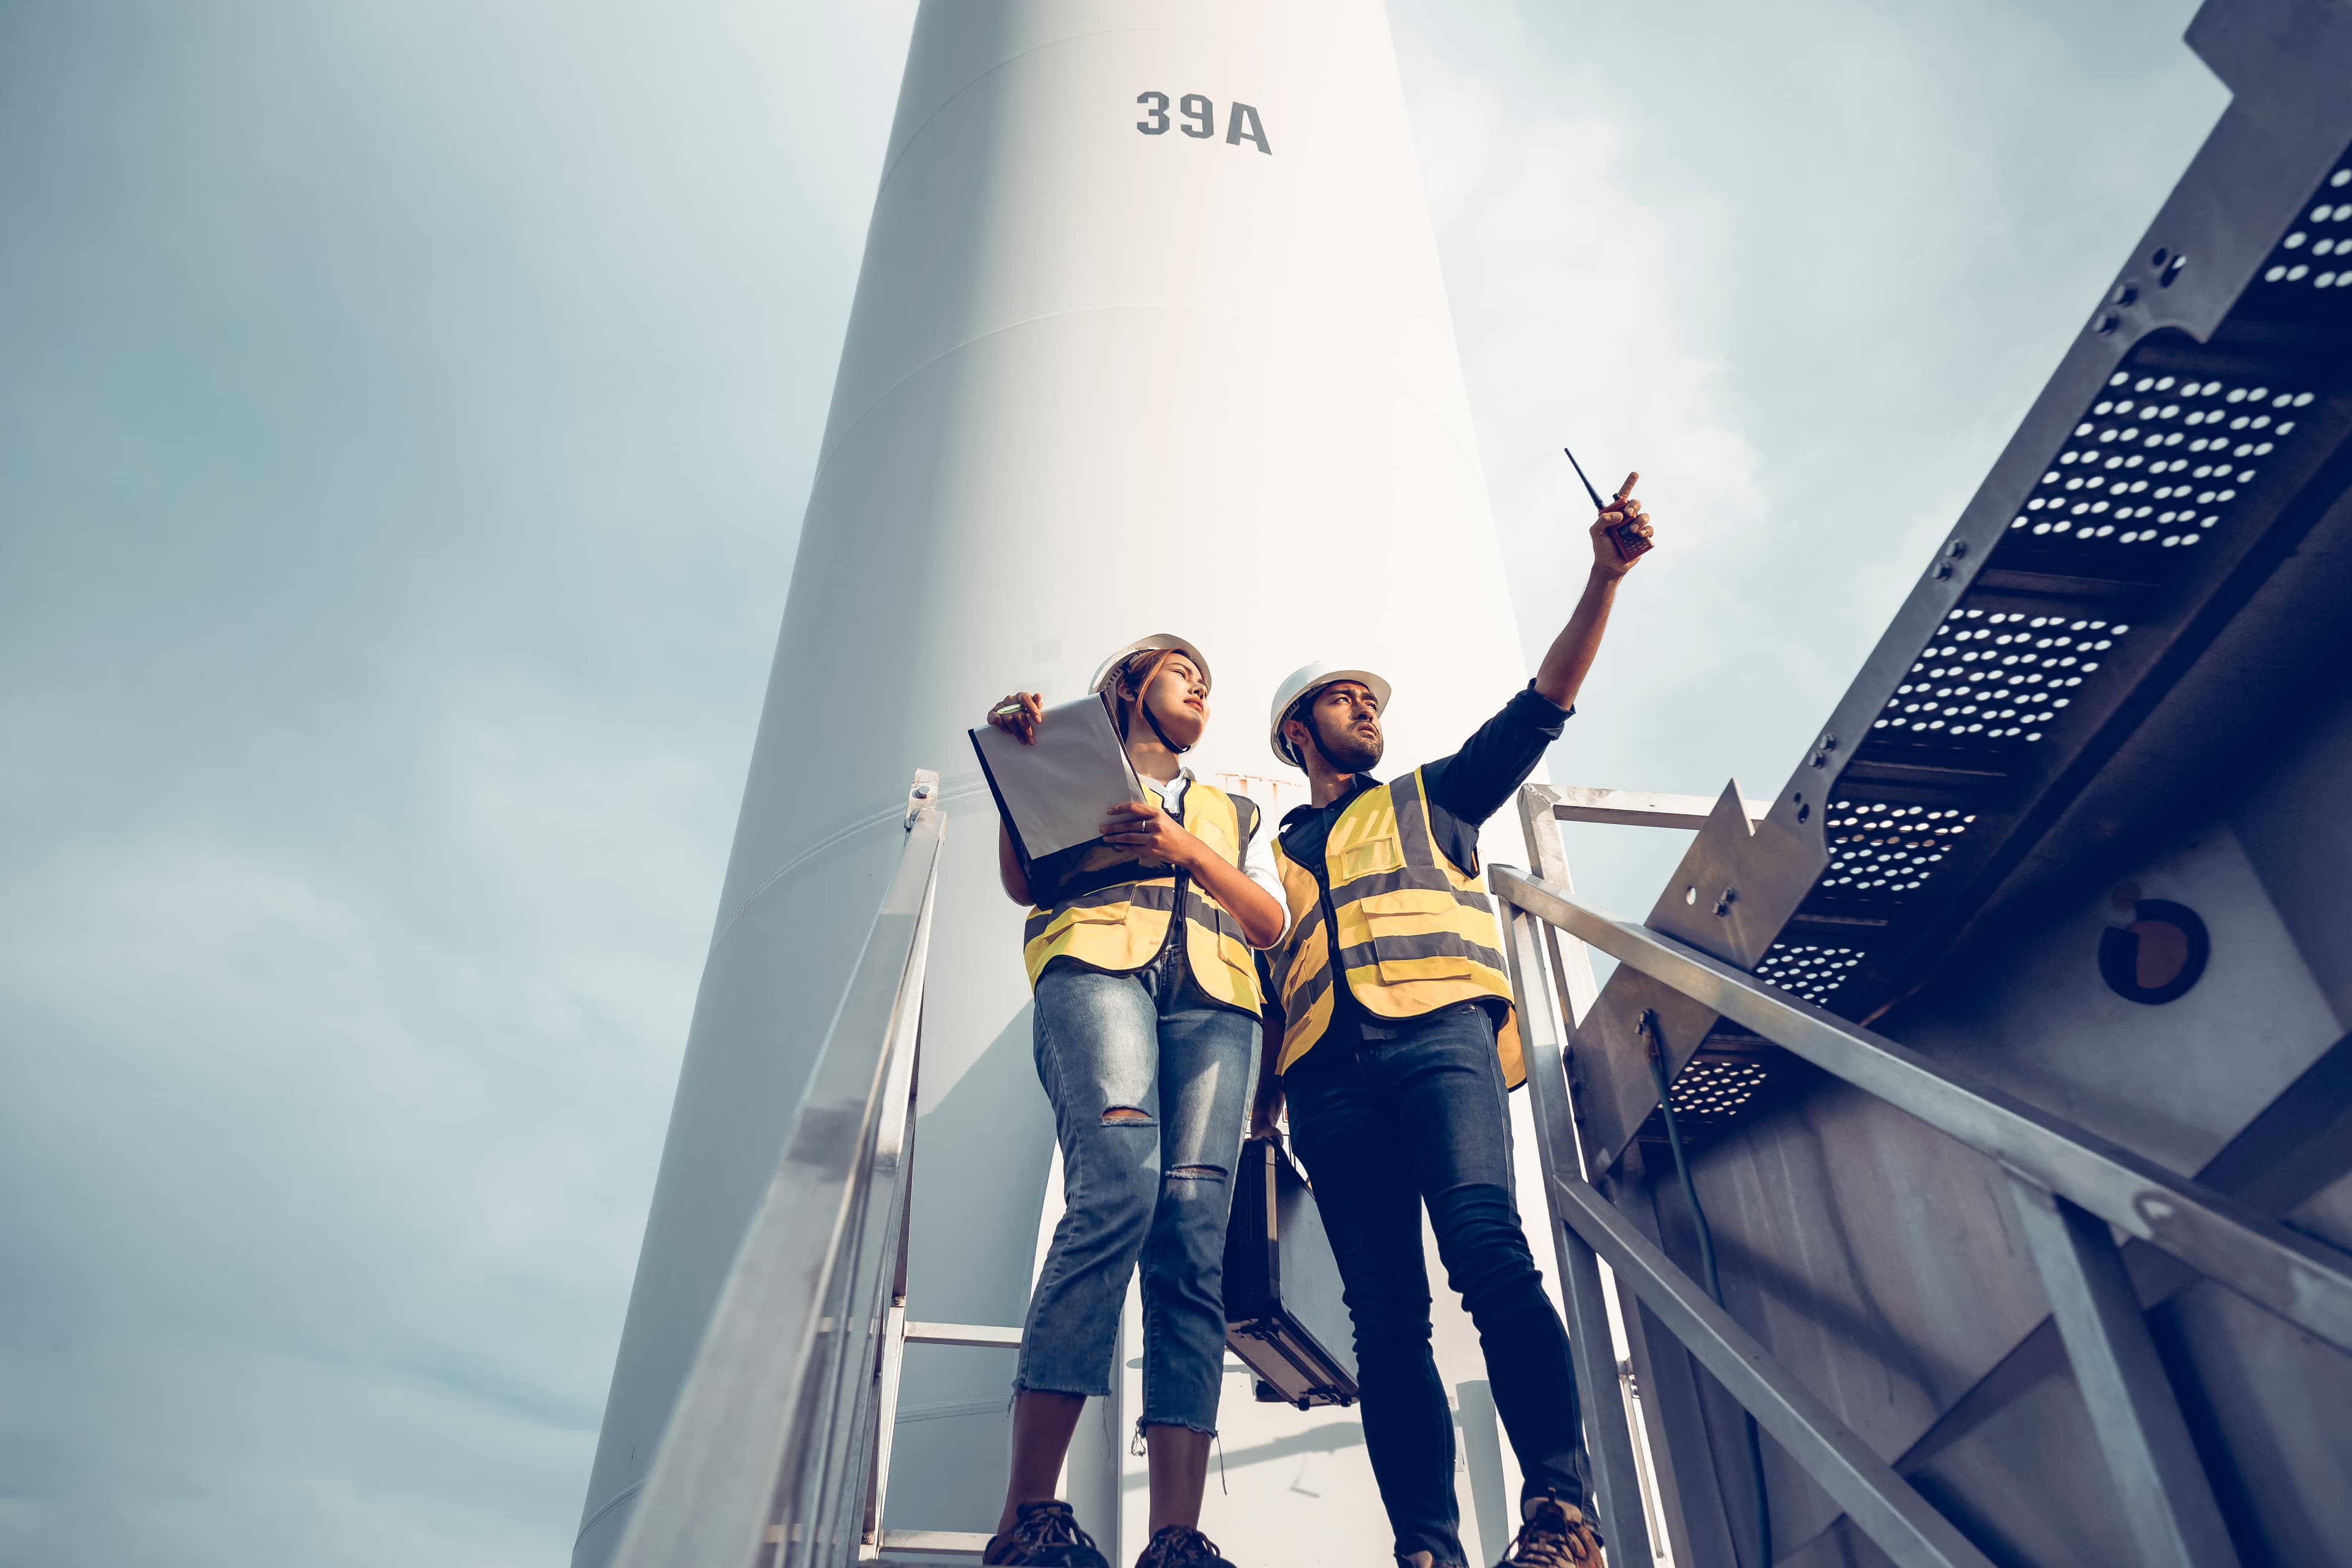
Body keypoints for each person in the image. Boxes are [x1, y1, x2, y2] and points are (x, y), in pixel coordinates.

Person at [1250, 478, 1656, 1568]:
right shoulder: (1274, 854)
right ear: (1299, 731)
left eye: (1371, 697)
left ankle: (1562, 1513)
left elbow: (1542, 704)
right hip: (1327, 1081)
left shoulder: (1436, 794)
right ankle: (1426, 1547)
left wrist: (1603, 578)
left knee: (1487, 1252)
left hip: (1441, 1041)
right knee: (1383, 1318)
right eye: (1343, 700)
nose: (1366, 708)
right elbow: (1257, 980)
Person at [980, 635, 1289, 1568]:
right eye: (1180, 672)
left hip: (1218, 1004)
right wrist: (1016, 769)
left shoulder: (1231, 809)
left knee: (1194, 1238)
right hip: (1097, 968)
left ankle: (1177, 1539)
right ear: (1126, 686)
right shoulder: (1067, 761)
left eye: (1207, 680)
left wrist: (1185, 847)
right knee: (1115, 1191)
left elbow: (1269, 922)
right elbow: (1025, 882)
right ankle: (1030, 1514)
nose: (1200, 686)